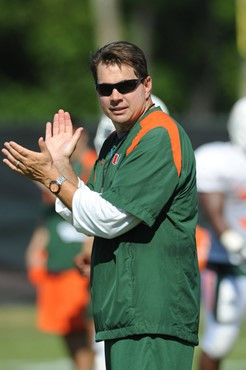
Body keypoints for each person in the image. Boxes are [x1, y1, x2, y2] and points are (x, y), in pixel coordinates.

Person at [2, 40, 200, 370]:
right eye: (105, 88)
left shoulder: (158, 134)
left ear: (147, 84)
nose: (115, 96)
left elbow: (109, 219)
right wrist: (63, 165)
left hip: (152, 314)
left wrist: (52, 178)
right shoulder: (115, 141)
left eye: (126, 85)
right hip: (127, 313)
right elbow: (88, 212)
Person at [26, 129, 98, 370]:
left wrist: (42, 174)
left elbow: (73, 195)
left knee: (92, 332)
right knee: (68, 330)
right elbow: (49, 214)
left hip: (80, 261)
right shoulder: (55, 164)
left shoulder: (92, 163)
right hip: (58, 261)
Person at [195, 97, 246, 370]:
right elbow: (214, 211)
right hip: (228, 265)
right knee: (220, 339)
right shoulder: (223, 160)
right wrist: (230, 238)